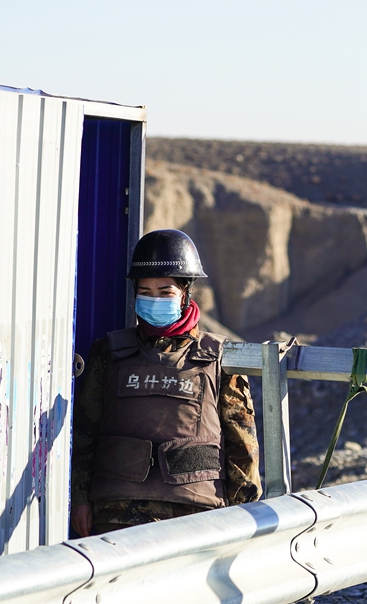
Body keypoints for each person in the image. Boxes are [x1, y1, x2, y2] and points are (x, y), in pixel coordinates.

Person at [70, 229, 262, 536]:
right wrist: (79, 501)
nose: (154, 299)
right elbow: (83, 435)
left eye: (165, 292)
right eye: (145, 292)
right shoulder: (108, 352)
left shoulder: (219, 357)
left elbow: (243, 446)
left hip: (195, 516)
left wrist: (243, 514)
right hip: (116, 514)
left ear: (185, 294)